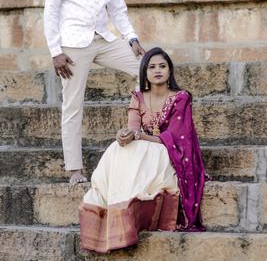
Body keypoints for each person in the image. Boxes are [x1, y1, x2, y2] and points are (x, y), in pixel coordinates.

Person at [43, 0, 145, 185]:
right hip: (72, 45)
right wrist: (55, 51)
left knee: (146, 70)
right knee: (72, 105)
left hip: (104, 38)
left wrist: (132, 38)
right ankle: (75, 171)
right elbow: (51, 12)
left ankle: (142, 131)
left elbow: (118, 9)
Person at [79, 47, 208, 254]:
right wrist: (124, 135)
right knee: (117, 149)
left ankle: (127, 218)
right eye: (152, 67)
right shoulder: (138, 97)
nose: (157, 70)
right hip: (143, 149)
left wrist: (139, 136)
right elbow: (133, 128)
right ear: (144, 72)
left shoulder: (181, 97)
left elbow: (175, 138)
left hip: (168, 152)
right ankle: (113, 217)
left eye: (162, 66)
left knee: (140, 150)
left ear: (169, 70)